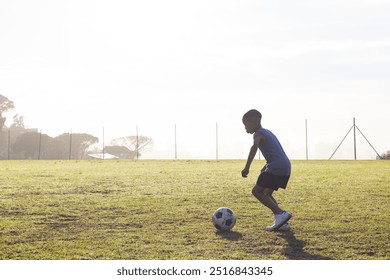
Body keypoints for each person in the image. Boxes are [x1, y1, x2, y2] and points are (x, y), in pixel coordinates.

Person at [241, 109, 292, 231]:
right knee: (267, 193)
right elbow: (275, 151)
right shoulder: (268, 132)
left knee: (256, 192)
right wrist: (265, 167)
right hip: (285, 166)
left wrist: (247, 167)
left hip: (276, 167)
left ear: (251, 121)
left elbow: (254, 147)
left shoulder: (257, 133)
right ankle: (282, 222)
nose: (245, 128)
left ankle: (280, 214)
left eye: (245, 125)